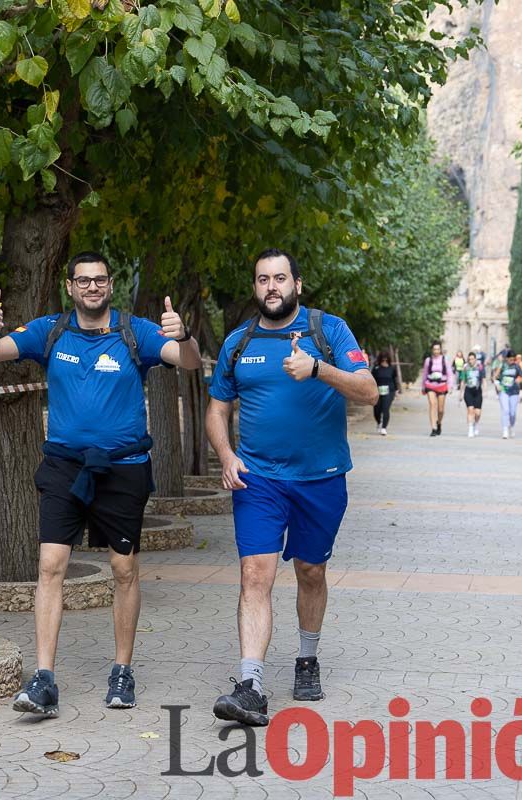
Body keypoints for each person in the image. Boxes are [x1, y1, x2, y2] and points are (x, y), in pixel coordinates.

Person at [0, 252, 202, 717]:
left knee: (123, 569)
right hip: (63, 466)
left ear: (111, 285)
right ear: (70, 286)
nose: (92, 287)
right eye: (84, 281)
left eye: (100, 280)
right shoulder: (49, 331)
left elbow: (189, 362)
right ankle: (44, 680)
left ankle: (122, 672)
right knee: (50, 565)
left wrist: (186, 335)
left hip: (123, 467)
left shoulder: (134, 331)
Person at [205, 248, 377, 727]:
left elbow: (368, 391)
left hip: (320, 479)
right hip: (257, 479)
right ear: (255, 287)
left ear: (297, 285)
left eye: (280, 278)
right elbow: (218, 408)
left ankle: (306, 659)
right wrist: (226, 455)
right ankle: (251, 684)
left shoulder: (330, 331)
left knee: (310, 571)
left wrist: (319, 368)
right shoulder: (238, 343)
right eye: (262, 280)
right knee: (254, 575)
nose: (271, 287)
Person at [420, 341, 455, 436]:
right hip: (430, 385)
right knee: (432, 404)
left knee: (440, 410)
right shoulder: (428, 360)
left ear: (440, 350)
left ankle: (438, 423)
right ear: (432, 350)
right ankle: (433, 428)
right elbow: (425, 374)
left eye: (438, 349)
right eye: (434, 349)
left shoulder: (444, 360)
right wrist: (423, 386)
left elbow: (450, 374)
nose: (436, 351)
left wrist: (450, 386)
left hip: (442, 385)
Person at [493, 349, 522, 439]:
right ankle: (505, 430)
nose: (511, 361)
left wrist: (519, 379)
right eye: (510, 359)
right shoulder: (502, 365)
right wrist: (497, 384)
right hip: (504, 390)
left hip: (514, 391)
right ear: (506, 358)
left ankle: (511, 426)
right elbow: (495, 376)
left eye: (513, 359)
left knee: (512, 412)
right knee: (506, 410)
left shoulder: (516, 366)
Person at [371, 351, 400, 435]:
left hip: (389, 391)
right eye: (383, 359)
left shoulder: (392, 368)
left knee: (385, 408)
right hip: (378, 391)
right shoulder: (376, 368)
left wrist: (396, 390)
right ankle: (379, 422)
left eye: (386, 359)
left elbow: (395, 379)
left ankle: (384, 427)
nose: (384, 361)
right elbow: (372, 380)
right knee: (377, 410)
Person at [460, 351, 486, 437]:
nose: (471, 361)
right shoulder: (465, 368)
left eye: (472, 359)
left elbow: (484, 380)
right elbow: (463, 381)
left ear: (475, 359)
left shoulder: (480, 367)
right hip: (468, 391)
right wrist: (460, 393)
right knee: (470, 410)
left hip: (478, 391)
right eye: (469, 359)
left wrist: (485, 391)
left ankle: (476, 424)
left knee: (477, 413)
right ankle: (470, 429)